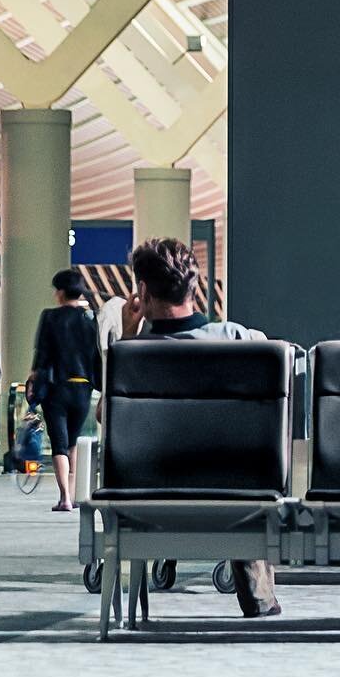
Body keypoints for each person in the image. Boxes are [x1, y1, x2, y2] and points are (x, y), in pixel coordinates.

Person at [121, 236, 281, 619]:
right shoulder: (243, 340)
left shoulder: (135, 355)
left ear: (142, 291)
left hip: (153, 490)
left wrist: (129, 339)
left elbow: (110, 418)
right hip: (236, 489)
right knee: (239, 464)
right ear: (193, 285)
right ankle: (259, 597)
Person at [28, 269, 102, 511]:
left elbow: (42, 354)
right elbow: (97, 355)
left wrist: (33, 380)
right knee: (73, 442)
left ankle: (65, 498)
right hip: (83, 389)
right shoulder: (91, 318)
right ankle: (75, 493)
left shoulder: (50, 317)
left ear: (60, 292)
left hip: (56, 387)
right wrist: (100, 386)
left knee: (59, 443)